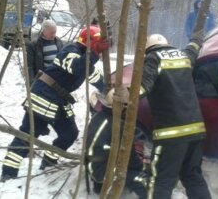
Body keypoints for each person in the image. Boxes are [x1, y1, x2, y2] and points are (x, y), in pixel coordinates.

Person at [0, 25, 109, 181]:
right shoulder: (70, 50)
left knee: (69, 134)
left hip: (58, 100)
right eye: (98, 45)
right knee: (27, 134)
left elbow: (96, 79)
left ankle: (49, 161)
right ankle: (8, 172)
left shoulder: (86, 58)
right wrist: (95, 53)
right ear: (90, 42)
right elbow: (78, 67)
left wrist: (111, 90)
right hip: (43, 96)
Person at [137, 34, 211, 199]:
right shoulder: (183, 56)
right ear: (167, 45)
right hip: (196, 131)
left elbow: (143, 87)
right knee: (193, 176)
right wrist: (196, 40)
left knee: (162, 180)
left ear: (148, 49)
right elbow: (192, 50)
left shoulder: (153, 58)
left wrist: (125, 96)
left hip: (171, 135)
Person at [86, 89, 147, 198]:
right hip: (102, 171)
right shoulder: (118, 125)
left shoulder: (98, 116)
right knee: (144, 181)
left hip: (93, 167)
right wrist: (143, 169)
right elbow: (130, 157)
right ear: (123, 107)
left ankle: (101, 184)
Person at [27, 19, 63, 84]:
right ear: (43, 31)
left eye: (55, 32)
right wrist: (32, 81)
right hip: (42, 79)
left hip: (57, 78)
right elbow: (30, 66)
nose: (54, 35)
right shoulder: (34, 45)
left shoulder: (58, 42)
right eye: (51, 33)